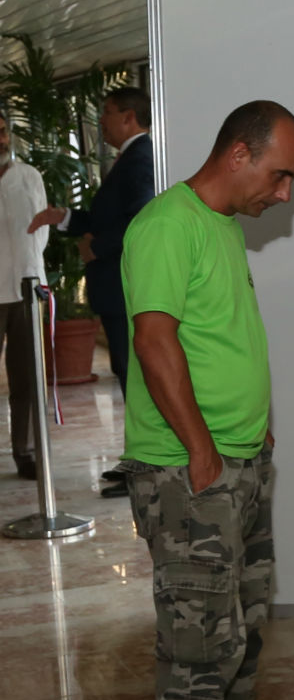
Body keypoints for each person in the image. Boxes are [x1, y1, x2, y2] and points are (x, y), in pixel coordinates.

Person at [122, 100, 294, 700]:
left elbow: (220, 335)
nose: (283, 193)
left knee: (243, 623)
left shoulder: (222, 228)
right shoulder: (165, 225)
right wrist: (200, 446)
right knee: (200, 637)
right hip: (185, 469)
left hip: (238, 462)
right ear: (239, 152)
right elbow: (155, 338)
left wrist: (251, 427)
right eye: (279, 174)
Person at [30, 85, 156, 497]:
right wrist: (64, 218)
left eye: (106, 112)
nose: (100, 121)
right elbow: (107, 216)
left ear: (128, 118)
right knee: (126, 374)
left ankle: (148, 466)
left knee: (135, 377)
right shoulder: (127, 158)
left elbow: (140, 219)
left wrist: (97, 246)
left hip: (126, 287)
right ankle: (138, 460)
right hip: (115, 288)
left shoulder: (142, 158)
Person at [0, 113, 50, 480]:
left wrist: (33, 278)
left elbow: (40, 231)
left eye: (1, 132)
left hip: (23, 288)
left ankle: (25, 453)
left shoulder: (28, 176)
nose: (0, 140)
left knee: (26, 380)